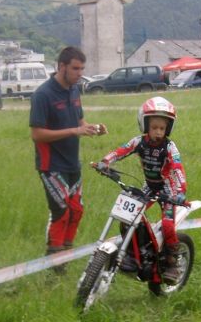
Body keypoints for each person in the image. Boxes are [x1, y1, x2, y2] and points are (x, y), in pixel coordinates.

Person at [29, 46, 106, 270]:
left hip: (73, 163)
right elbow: (37, 134)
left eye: (82, 68)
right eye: (75, 68)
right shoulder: (43, 95)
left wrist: (92, 128)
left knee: (77, 211)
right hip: (51, 165)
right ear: (61, 66)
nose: (79, 73)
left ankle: (66, 255)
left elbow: (80, 122)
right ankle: (54, 266)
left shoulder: (74, 90)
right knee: (61, 212)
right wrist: (74, 131)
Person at [96, 96, 187, 282]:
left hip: (168, 191)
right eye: (154, 128)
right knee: (127, 215)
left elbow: (177, 168)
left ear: (168, 128)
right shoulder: (139, 142)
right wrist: (105, 162)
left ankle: (172, 262)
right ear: (144, 125)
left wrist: (180, 192)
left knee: (168, 226)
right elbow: (122, 150)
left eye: (162, 128)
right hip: (149, 186)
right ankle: (131, 254)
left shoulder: (170, 147)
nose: (158, 132)